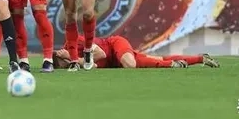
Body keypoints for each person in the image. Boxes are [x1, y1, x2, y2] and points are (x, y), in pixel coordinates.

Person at [53, 34, 220, 69]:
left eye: (64, 63)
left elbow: (100, 54)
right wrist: (77, 62)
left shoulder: (73, 42)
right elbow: (93, 66)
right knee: (157, 59)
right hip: (114, 63)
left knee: (130, 64)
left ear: (61, 53)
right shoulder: (75, 64)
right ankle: (200, 59)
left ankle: (173, 64)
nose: (68, 66)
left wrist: (74, 58)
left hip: (114, 45)